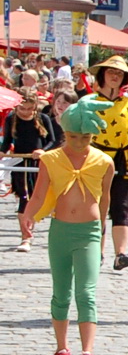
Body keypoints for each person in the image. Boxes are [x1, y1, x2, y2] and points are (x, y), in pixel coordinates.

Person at [23, 96, 114, 355]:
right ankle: (62, 347)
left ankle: (88, 352)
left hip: (88, 232)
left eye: (86, 136)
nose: (79, 141)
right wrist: (28, 216)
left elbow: (105, 201)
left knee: (86, 293)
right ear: (65, 133)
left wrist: (101, 235)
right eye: (74, 136)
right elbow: (39, 193)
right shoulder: (51, 160)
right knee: (61, 294)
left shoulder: (104, 161)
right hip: (60, 231)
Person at [87, 56, 128, 271]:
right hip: (95, 158)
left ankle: (121, 253)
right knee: (96, 208)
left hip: (122, 161)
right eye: (111, 72)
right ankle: (97, 252)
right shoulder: (89, 102)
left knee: (121, 207)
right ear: (102, 75)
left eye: (119, 73)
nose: (114, 76)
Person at [2, 89, 62, 250]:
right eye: (23, 109)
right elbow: (7, 140)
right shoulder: (11, 119)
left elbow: (53, 141)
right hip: (21, 162)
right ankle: (26, 237)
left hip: (39, 163)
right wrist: (2, 151)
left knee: (37, 197)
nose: (26, 112)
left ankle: (36, 230)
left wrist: (43, 151)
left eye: (30, 109)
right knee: (24, 197)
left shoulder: (42, 118)